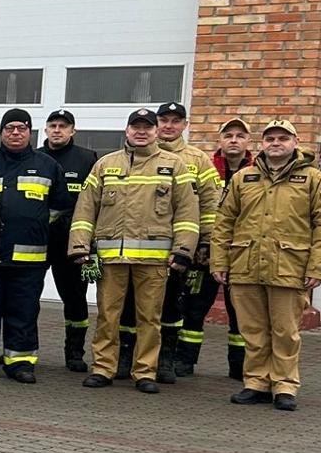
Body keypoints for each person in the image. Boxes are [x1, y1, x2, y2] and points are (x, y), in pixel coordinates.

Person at [70, 108, 199, 394]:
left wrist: (183, 250)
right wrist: (80, 246)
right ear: (126, 130)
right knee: (107, 315)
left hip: (154, 261)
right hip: (111, 258)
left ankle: (145, 372)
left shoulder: (174, 165)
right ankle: (103, 368)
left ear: (155, 131)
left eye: (147, 127)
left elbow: (188, 213)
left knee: (150, 318)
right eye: (136, 127)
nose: (141, 132)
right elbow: (85, 209)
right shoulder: (105, 164)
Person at [0, 108, 74, 384]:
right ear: (1, 133)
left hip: (29, 258)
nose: (15, 133)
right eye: (10, 128)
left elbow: (60, 205)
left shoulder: (47, 166)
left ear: (30, 132)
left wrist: (34, 224)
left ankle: (20, 362)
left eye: (21, 128)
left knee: (23, 311)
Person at [211, 119, 320, 412]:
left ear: (295, 142)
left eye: (282, 138)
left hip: (289, 266)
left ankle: (284, 385)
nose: (276, 143)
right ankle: (256, 382)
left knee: (285, 331)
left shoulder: (312, 179)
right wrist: (219, 261)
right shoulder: (244, 178)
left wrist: (316, 267)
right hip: (246, 265)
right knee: (253, 330)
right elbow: (224, 224)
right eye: (270, 138)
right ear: (262, 144)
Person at [127, 101, 223, 383]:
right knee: (132, 304)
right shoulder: (136, 155)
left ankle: (165, 358)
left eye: (175, 120)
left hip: (177, 249)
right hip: (140, 246)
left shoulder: (197, 160)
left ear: (185, 125)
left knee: (172, 305)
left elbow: (209, 204)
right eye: (164, 120)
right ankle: (128, 358)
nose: (169, 125)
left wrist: (203, 243)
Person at [39, 109, 100, 373]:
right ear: (45, 130)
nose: (57, 130)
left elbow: (95, 203)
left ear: (72, 131)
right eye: (52, 125)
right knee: (27, 297)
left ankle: (74, 353)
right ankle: (23, 349)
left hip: (72, 244)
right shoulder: (35, 158)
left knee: (75, 299)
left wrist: (91, 244)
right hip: (38, 241)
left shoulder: (87, 159)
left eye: (63, 126)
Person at [205, 117, 255, 379]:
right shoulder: (206, 168)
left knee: (241, 311)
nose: (233, 140)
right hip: (206, 250)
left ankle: (239, 367)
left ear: (248, 141)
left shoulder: (259, 171)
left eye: (239, 135)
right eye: (228, 135)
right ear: (220, 140)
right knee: (194, 307)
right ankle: (183, 362)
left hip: (243, 252)